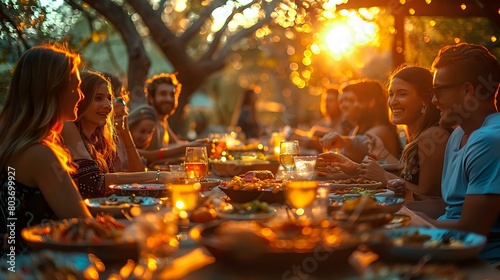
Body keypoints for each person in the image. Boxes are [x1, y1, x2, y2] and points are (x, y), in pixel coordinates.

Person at [318, 66, 450, 218]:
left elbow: (428, 198)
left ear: (424, 99)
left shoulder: (433, 135)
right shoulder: (416, 134)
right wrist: (356, 168)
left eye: (402, 94)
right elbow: (405, 176)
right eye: (391, 94)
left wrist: (385, 178)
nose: (393, 101)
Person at [0, 45, 91, 254]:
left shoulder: (11, 141)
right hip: (33, 269)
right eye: (76, 87)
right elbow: (84, 226)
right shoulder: (38, 154)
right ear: (52, 90)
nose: (81, 96)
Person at [428, 43, 500, 264]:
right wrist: (395, 209)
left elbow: (472, 229)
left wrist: (410, 223)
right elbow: (449, 208)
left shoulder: (489, 140)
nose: (433, 100)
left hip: (480, 264)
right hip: (447, 249)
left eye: (439, 90)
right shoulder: (458, 135)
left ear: (468, 91)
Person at [62, 71, 169, 198]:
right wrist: (157, 176)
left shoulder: (100, 138)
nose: (108, 106)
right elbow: (95, 183)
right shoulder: (67, 128)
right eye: (98, 98)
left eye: (109, 99)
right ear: (80, 100)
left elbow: (136, 174)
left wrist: (125, 132)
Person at [320, 79, 402, 162]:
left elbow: (361, 144)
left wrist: (343, 142)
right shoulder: (356, 129)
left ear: (371, 103)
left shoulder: (381, 130)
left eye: (357, 100)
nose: (354, 105)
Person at [139, 73, 208, 166]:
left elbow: (176, 144)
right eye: (163, 94)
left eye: (172, 95)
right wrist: (191, 147)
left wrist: (202, 145)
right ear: (151, 98)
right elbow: (130, 150)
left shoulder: (162, 120)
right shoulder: (144, 116)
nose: (168, 99)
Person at [289, 85, 351, 153]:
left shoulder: (345, 121)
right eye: (325, 100)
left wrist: (317, 132)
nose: (326, 104)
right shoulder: (323, 122)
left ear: (338, 103)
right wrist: (297, 134)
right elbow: (310, 134)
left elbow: (340, 136)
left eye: (330, 100)